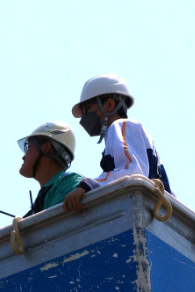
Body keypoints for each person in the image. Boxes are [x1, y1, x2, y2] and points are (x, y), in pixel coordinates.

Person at [63, 74, 169, 212]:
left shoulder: (121, 126)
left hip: (149, 210)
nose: (84, 117)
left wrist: (87, 186)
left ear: (109, 105)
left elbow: (132, 172)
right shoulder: (123, 132)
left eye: (86, 110)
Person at [18, 122, 83, 216]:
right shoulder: (47, 195)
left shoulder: (69, 183)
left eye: (28, 147)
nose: (24, 157)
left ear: (45, 148)